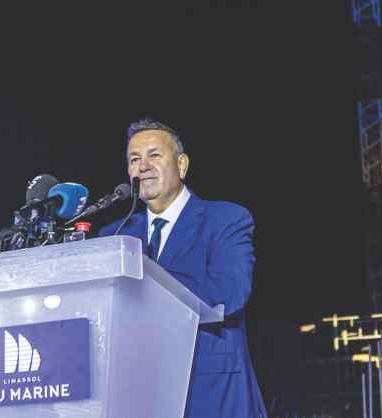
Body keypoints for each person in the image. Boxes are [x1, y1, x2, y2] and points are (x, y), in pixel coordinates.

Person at [98, 118, 267, 418]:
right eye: (134, 159)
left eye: (154, 155)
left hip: (211, 394)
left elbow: (229, 293)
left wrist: (144, 282)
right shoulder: (115, 235)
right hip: (138, 394)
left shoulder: (225, 220)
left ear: (182, 165)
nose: (143, 166)